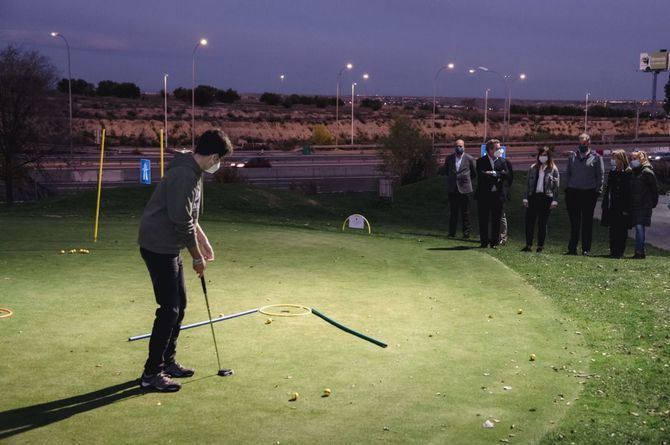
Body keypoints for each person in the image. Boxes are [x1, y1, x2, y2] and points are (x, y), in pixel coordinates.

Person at [137, 129, 234, 392]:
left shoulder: (193, 172)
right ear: (213, 156)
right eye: (220, 159)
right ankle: (150, 374)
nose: (219, 164)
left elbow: (190, 216)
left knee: (179, 304)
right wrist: (197, 258)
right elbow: (182, 222)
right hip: (159, 246)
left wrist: (204, 242)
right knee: (169, 309)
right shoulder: (184, 175)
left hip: (169, 245)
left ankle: (167, 361)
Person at [564, 133, 604, 256]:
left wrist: (598, 190)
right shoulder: (572, 157)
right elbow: (567, 173)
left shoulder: (596, 157)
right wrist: (567, 188)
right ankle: (572, 248)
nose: (582, 145)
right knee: (574, 223)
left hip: (589, 193)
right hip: (573, 193)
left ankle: (586, 248)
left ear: (589, 143)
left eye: (584, 143)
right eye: (580, 142)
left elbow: (600, 176)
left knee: (587, 223)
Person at [521, 146, 559, 253]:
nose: (543, 157)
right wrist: (525, 198)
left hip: (546, 197)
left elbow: (556, 186)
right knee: (529, 222)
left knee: (542, 223)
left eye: (545, 155)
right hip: (533, 197)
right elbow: (528, 184)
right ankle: (528, 245)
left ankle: (540, 246)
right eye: (541, 155)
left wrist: (555, 200)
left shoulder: (553, 169)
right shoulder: (533, 167)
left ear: (549, 157)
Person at [475, 139, 509, 248]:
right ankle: (484, 242)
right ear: (490, 150)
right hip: (484, 194)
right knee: (483, 219)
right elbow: (481, 175)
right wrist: (497, 176)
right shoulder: (481, 161)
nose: (500, 150)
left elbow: (506, 174)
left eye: (500, 148)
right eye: (497, 148)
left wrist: (494, 174)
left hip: (497, 195)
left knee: (497, 219)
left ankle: (494, 242)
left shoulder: (502, 162)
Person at [600, 149, 632, 258]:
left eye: (615, 158)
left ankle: (620, 251)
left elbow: (629, 191)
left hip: (623, 205)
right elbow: (609, 189)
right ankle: (613, 250)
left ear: (621, 159)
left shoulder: (628, 173)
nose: (613, 160)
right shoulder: (612, 173)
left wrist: (628, 208)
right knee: (613, 229)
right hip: (613, 204)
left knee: (622, 230)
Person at [629, 150, 659, 259]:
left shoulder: (647, 172)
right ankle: (639, 251)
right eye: (631, 159)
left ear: (641, 159)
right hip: (636, 205)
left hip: (644, 204)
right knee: (638, 228)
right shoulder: (634, 172)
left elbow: (654, 190)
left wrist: (652, 203)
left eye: (635, 159)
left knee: (639, 227)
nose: (633, 161)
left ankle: (639, 252)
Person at [444, 139, 477, 238]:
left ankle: (466, 233)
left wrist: (466, 180)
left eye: (461, 146)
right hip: (453, 188)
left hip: (465, 189)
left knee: (465, 212)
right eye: (457, 146)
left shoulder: (470, 159)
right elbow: (447, 171)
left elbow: (474, 173)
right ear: (454, 147)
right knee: (453, 212)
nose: (459, 148)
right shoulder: (449, 158)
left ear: (464, 147)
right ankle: (451, 233)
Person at [499, 153, 514, 245]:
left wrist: (506, 188)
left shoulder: (506, 162)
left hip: (501, 192)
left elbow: (510, 177)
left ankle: (502, 237)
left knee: (501, 215)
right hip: (490, 192)